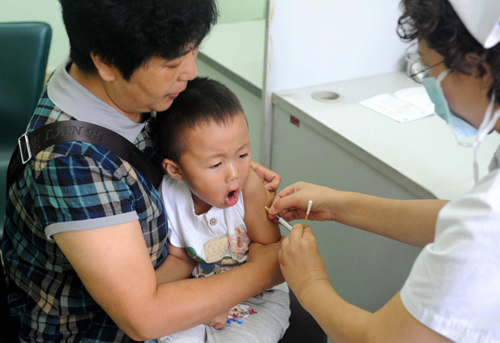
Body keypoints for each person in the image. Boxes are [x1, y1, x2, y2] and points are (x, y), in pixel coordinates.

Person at [0, 1, 284, 342]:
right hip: (103, 332)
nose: (190, 72)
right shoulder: (71, 164)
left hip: (182, 274)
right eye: (173, 62)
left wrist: (230, 169)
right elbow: (145, 318)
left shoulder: (129, 88)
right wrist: (272, 266)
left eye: (194, 50)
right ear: (105, 61)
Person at [268, 0, 500, 342]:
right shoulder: (481, 218)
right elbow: (457, 220)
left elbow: (378, 338)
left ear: (475, 66)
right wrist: (336, 205)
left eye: (431, 70)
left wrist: (308, 282)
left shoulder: (487, 222)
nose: (430, 82)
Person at [153, 77, 290, 343]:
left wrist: (224, 300)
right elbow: (182, 259)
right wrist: (146, 290)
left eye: (242, 155)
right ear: (176, 170)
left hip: (258, 297)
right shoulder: (169, 193)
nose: (234, 174)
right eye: (216, 164)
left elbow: (269, 254)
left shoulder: (249, 188)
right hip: (200, 290)